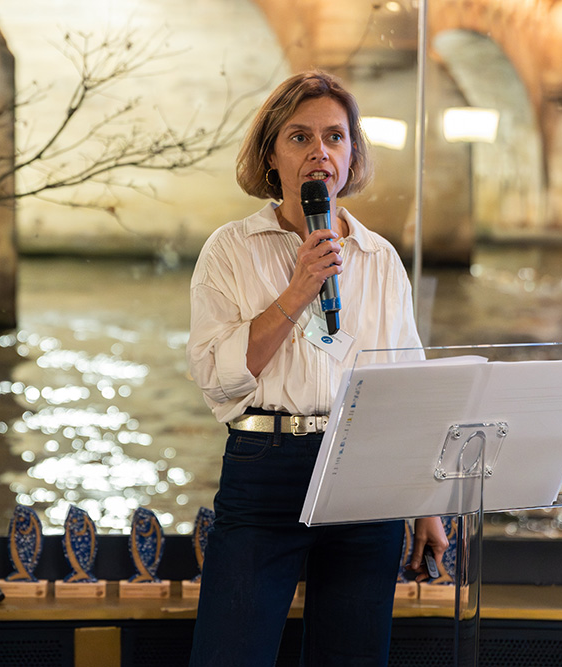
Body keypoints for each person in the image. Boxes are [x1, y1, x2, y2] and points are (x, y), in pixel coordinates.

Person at [185, 69, 449, 667]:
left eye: (335, 137)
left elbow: (407, 384)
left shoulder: (379, 257)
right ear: (270, 155)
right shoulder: (230, 249)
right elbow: (217, 380)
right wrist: (299, 289)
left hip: (364, 471)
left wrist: (426, 501)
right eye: (300, 137)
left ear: (352, 154)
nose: (320, 153)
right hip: (266, 465)